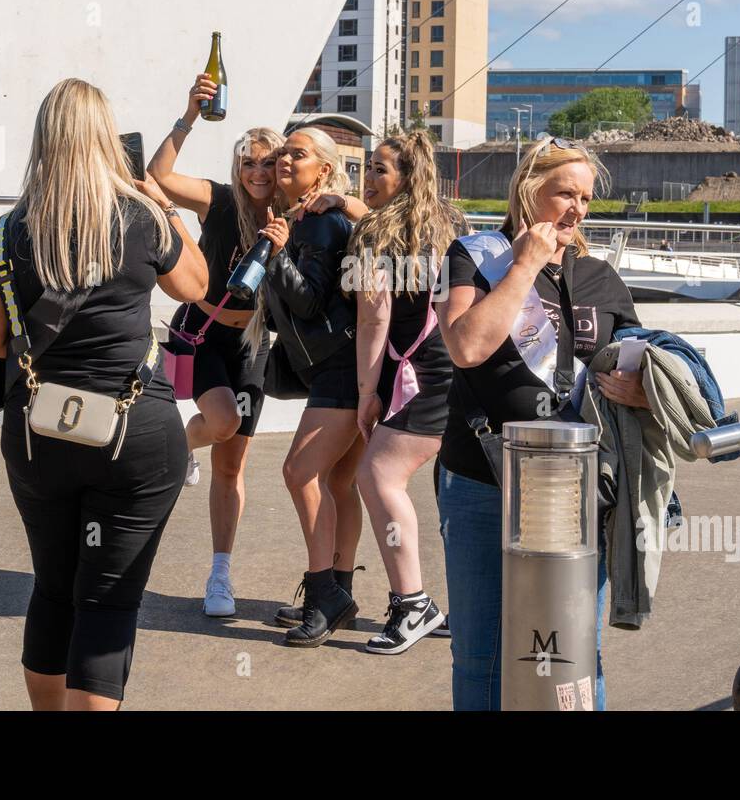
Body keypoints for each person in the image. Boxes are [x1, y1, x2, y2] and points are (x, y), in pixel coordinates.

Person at [0, 78, 208, 709]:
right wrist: (160, 200)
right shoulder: (141, 217)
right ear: (106, 138)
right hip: (134, 432)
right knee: (107, 599)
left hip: (39, 431)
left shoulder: (6, 231)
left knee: (53, 586)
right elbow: (197, 285)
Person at [435, 135, 646, 710]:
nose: (578, 209)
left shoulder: (601, 276)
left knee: (575, 645)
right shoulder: (475, 256)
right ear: (529, 192)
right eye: (565, 194)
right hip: (482, 479)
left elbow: (640, 363)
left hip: (574, 488)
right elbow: (466, 346)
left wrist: (640, 389)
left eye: (587, 198)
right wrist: (526, 263)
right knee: (481, 651)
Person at [145, 71, 284, 618]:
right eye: (248, 161)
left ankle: (219, 575)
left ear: (283, 167)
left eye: (267, 162)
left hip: (252, 345)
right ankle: (181, 448)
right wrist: (190, 115)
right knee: (220, 422)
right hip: (202, 332)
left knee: (231, 468)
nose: (256, 171)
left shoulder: (291, 218)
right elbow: (158, 175)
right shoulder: (219, 201)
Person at [349, 131, 464, 654]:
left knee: (377, 475)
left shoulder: (378, 234)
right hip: (454, 364)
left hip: (420, 372)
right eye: (367, 168)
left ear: (404, 179)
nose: (367, 179)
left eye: (379, 170)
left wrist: (366, 393)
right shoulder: (447, 224)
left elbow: (374, 318)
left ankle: (412, 603)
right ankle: (448, 603)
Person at [258, 127, 369, 647]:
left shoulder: (323, 224)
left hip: (341, 370)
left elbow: (307, 302)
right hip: (338, 367)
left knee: (299, 471)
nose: (283, 159)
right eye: (282, 152)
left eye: (295, 154)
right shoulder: (302, 219)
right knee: (340, 484)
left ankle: (325, 593)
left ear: (323, 169)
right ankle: (339, 593)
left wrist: (276, 258)